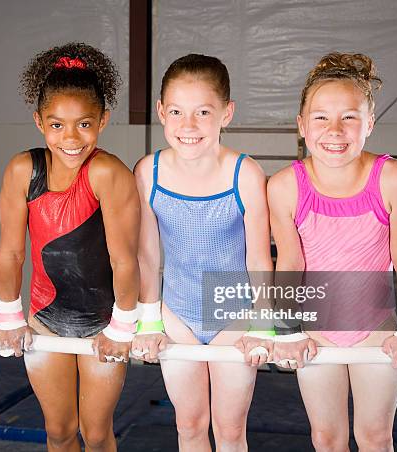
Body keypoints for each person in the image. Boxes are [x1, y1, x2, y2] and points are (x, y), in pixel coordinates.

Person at [268, 52, 397, 451]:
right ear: (302, 125)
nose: (334, 130)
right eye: (321, 117)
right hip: (317, 329)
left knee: (375, 437)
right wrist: (288, 331)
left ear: (370, 123)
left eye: (350, 117)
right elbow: (290, 262)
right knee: (326, 438)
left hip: (377, 329)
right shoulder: (286, 186)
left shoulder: (396, 179)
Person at [0, 42, 140, 452]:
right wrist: (9, 317)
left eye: (84, 124)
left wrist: (122, 326)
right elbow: (10, 252)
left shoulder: (108, 172)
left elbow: (124, 258)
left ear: (103, 120)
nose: (71, 138)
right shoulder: (23, 169)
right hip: (45, 316)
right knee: (58, 432)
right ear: (39, 121)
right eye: (57, 125)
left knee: (95, 434)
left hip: (102, 322)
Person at [133, 54, 273, 451]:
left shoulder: (244, 173)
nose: (188, 126)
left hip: (234, 313)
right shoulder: (148, 172)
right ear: (161, 111)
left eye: (203, 112)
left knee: (230, 430)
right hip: (178, 314)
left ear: (227, 114)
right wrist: (149, 320)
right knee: (190, 425)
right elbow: (148, 255)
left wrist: (262, 323)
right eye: (176, 111)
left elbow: (259, 259)